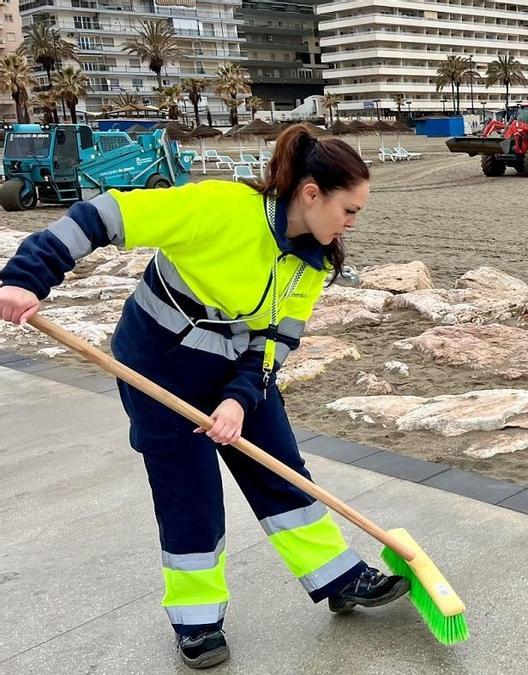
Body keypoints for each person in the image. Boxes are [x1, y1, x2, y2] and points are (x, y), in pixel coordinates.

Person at [0, 124, 408, 669]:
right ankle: (196, 621)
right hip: (157, 370)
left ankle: (339, 578)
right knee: (188, 493)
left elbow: (276, 340)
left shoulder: (310, 261)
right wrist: (28, 276)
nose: (352, 223)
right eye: (350, 210)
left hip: (235, 371)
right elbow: (104, 216)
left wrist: (240, 400)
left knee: (281, 469)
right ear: (312, 194)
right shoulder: (220, 207)